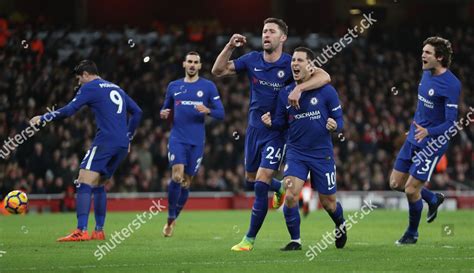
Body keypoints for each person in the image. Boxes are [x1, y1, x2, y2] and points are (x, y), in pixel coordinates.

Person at [212, 17, 331, 251]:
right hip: (254, 129)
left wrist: (298, 87)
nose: (266, 35)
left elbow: (324, 77)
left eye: (271, 32)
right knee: (251, 177)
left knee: (260, 182)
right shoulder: (251, 60)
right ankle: (278, 188)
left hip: (277, 131)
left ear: (282, 38)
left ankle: (249, 239)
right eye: (264, 31)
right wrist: (229, 47)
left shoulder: (291, 63)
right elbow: (218, 70)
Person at [30, 60, 143, 241]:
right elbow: (137, 112)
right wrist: (128, 137)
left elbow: (69, 110)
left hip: (105, 141)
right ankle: (99, 231)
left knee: (83, 180)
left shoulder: (90, 87)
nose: (78, 83)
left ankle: (81, 230)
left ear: (86, 75)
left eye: (78, 79)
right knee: (98, 184)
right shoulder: (117, 88)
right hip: (121, 144)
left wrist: (44, 117)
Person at [262, 47, 346, 250]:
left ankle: (340, 224)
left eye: (300, 60)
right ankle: (295, 240)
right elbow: (282, 123)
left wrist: (335, 126)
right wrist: (271, 122)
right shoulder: (285, 93)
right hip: (296, 152)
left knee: (328, 203)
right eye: (293, 61)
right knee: (290, 195)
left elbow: (340, 121)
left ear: (310, 65)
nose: (294, 64)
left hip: (321, 154)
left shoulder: (326, 91)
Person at [389, 37, 461, 244]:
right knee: (395, 183)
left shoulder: (452, 84)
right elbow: (423, 107)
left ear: (439, 58)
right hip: (415, 135)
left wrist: (428, 133)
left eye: (428, 53)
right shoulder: (426, 73)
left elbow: (451, 124)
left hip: (432, 142)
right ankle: (432, 198)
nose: (423, 55)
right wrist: (413, 127)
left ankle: (412, 234)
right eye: (423, 51)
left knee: (411, 189)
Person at [161, 52, 225, 237]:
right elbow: (165, 107)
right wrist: (163, 112)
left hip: (197, 141)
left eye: (195, 62)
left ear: (199, 66)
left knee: (187, 183)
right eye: (189, 61)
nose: (192, 64)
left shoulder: (208, 86)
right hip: (177, 138)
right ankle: (170, 215)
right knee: (177, 176)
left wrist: (208, 110)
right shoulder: (174, 86)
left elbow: (221, 113)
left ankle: (173, 220)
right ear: (184, 64)